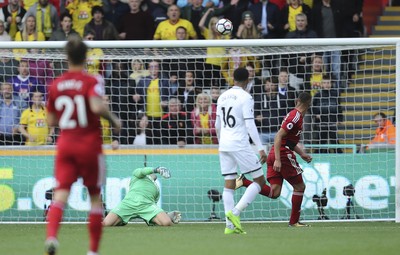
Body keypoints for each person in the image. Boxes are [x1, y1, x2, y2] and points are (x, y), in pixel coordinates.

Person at [44, 36, 121, 255]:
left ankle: (51, 237)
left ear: (66, 57)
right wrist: (114, 120)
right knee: (95, 198)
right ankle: (92, 251)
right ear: (86, 57)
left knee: (60, 194)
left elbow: (50, 121)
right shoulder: (90, 81)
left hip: (66, 144)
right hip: (89, 145)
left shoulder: (56, 84)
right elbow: (96, 107)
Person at [236, 92, 313, 227]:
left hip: (275, 153)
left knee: (274, 192)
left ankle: (244, 181)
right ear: (308, 104)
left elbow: (288, 140)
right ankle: (294, 222)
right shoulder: (295, 116)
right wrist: (278, 159)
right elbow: (278, 136)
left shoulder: (295, 115)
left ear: (297, 100)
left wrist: (302, 154)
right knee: (300, 186)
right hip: (282, 154)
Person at [215, 67, 267, 234]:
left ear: (233, 78)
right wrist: (260, 149)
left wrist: (221, 141)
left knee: (229, 184)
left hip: (224, 144)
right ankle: (235, 214)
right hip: (239, 144)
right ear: (247, 80)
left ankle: (229, 227)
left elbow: (217, 125)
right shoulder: (246, 97)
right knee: (259, 181)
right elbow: (250, 124)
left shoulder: (222, 96)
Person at [102, 166, 182, 226]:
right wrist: (157, 169)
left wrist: (163, 214)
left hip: (147, 206)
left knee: (167, 223)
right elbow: (143, 171)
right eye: (150, 172)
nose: (152, 173)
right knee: (105, 224)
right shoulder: (138, 175)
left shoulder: (157, 189)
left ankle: (167, 216)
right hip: (128, 204)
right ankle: (120, 220)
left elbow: (154, 205)